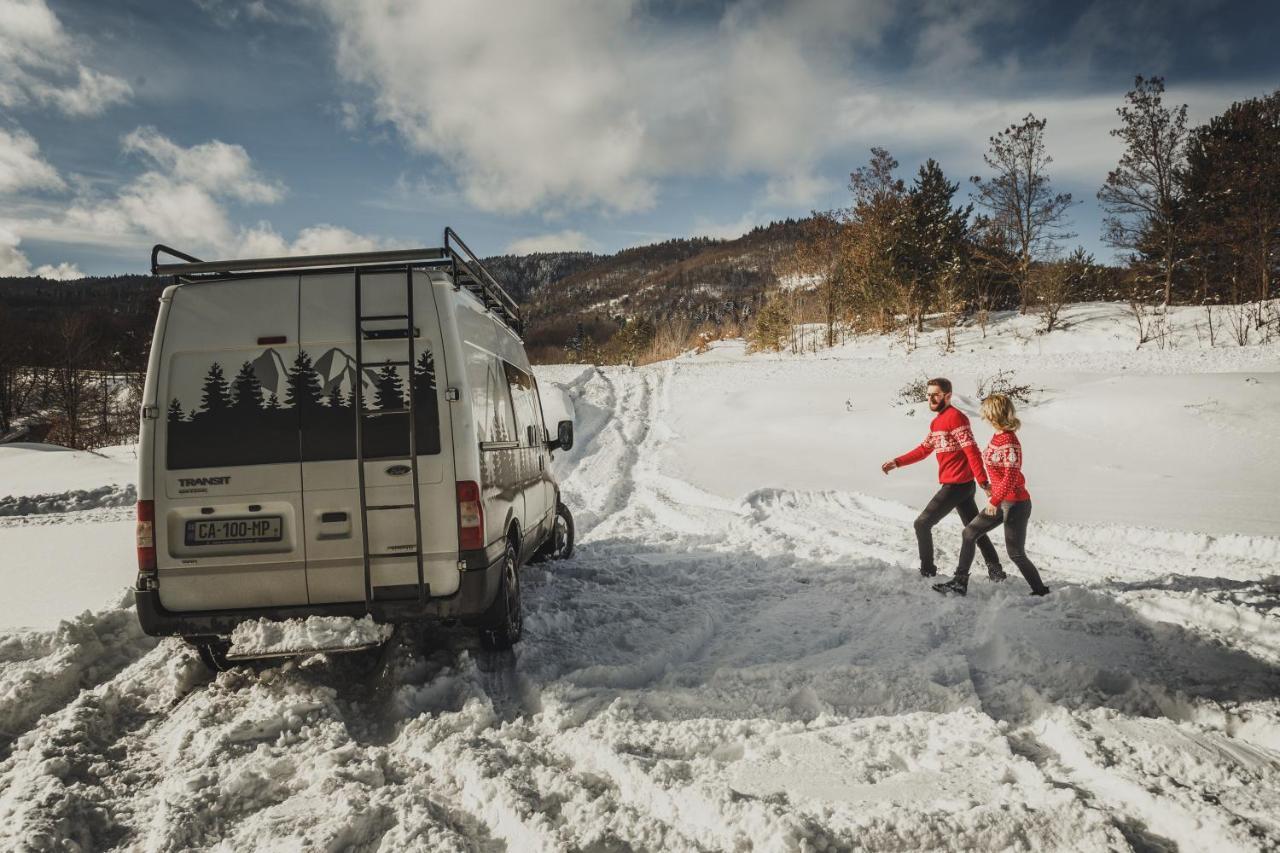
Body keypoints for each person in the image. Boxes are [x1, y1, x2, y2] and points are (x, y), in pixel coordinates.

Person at [881, 378, 1006, 580]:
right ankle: (996, 569)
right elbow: (924, 449)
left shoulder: (956, 418)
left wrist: (983, 482)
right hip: (961, 486)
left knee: (922, 524)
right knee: (973, 530)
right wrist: (897, 462)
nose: (931, 398)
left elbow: (972, 451)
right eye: (928, 395)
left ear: (947, 396)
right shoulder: (937, 422)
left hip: (956, 486)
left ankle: (927, 571)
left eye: (936, 395)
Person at [933, 393, 1050, 597]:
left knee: (1016, 553)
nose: (983, 416)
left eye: (985, 412)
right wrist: (988, 486)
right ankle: (960, 582)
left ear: (993, 414)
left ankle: (1040, 591)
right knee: (969, 533)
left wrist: (995, 500)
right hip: (999, 500)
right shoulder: (998, 436)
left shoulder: (1009, 441)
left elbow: (1011, 476)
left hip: (1015, 503)